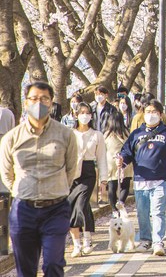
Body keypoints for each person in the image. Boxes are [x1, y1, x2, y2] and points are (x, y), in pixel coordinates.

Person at [0, 81, 79, 277]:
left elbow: (71, 169)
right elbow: (6, 172)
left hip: (56, 208)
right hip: (23, 210)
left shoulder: (65, 134)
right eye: (34, 99)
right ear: (25, 103)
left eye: (44, 99)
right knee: (25, 270)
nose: (39, 103)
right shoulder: (11, 137)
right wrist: (21, 189)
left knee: (53, 264)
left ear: (51, 103)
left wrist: (57, 189)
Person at [118, 99, 166, 256]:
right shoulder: (136, 134)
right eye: (148, 112)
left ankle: (158, 241)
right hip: (140, 180)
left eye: (154, 112)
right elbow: (126, 152)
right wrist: (121, 161)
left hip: (161, 180)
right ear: (143, 114)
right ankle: (145, 240)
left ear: (161, 114)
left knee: (158, 211)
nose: (151, 115)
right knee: (142, 213)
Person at [68, 103, 108, 257]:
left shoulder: (97, 135)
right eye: (82, 112)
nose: (85, 115)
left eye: (88, 112)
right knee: (73, 207)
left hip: (89, 172)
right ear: (76, 115)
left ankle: (86, 239)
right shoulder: (70, 134)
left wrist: (103, 180)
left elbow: (102, 158)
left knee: (81, 203)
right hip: (72, 174)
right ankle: (77, 244)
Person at [104, 113, 132, 218]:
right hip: (125, 163)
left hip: (111, 163)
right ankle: (121, 202)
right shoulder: (126, 133)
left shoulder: (107, 135)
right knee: (125, 186)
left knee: (112, 187)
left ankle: (114, 210)